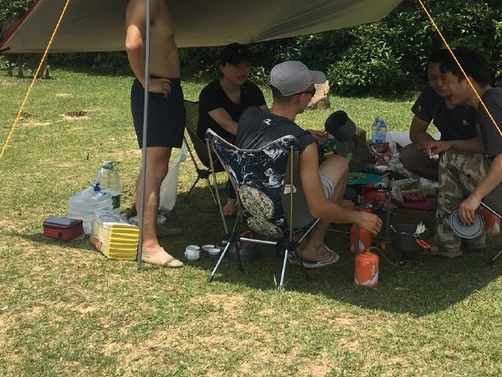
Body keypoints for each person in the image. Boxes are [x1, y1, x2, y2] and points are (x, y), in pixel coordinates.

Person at [236, 60, 382, 268]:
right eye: (311, 91)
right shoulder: (301, 142)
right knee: (339, 163)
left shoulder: (248, 116)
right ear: (300, 97)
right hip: (285, 216)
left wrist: (304, 134)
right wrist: (357, 217)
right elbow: (318, 208)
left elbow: (273, 129)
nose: (312, 95)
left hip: (252, 210)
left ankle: (298, 239)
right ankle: (314, 247)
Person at [427, 47, 502, 258]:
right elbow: (491, 145)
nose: (444, 87)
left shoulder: (488, 105)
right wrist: (451, 143)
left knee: (449, 160)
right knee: (454, 154)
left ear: (468, 81)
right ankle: (472, 237)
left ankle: (447, 242)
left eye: (448, 80)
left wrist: (476, 196)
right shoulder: (499, 97)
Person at [124, 0, 194, 268]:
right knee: (155, 168)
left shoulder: (158, 2)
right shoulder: (146, 0)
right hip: (155, 91)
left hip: (165, 90)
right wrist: (145, 81)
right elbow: (132, 42)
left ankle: (148, 230)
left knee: (157, 166)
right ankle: (148, 244)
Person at [197, 43, 267, 216]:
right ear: (222, 67)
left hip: (245, 139)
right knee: (242, 147)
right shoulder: (210, 92)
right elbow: (226, 124)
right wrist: (257, 138)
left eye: (246, 65)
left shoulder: (252, 90)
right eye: (236, 66)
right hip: (211, 144)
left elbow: (267, 118)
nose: (242, 71)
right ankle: (233, 199)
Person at [398, 48, 483, 180]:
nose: (439, 84)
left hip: (472, 153)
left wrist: (451, 146)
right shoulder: (432, 93)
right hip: (445, 150)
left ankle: (455, 181)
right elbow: (416, 130)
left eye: (444, 78)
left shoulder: (473, 99)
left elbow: (485, 143)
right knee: (409, 155)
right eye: (433, 78)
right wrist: (435, 147)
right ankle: (446, 180)